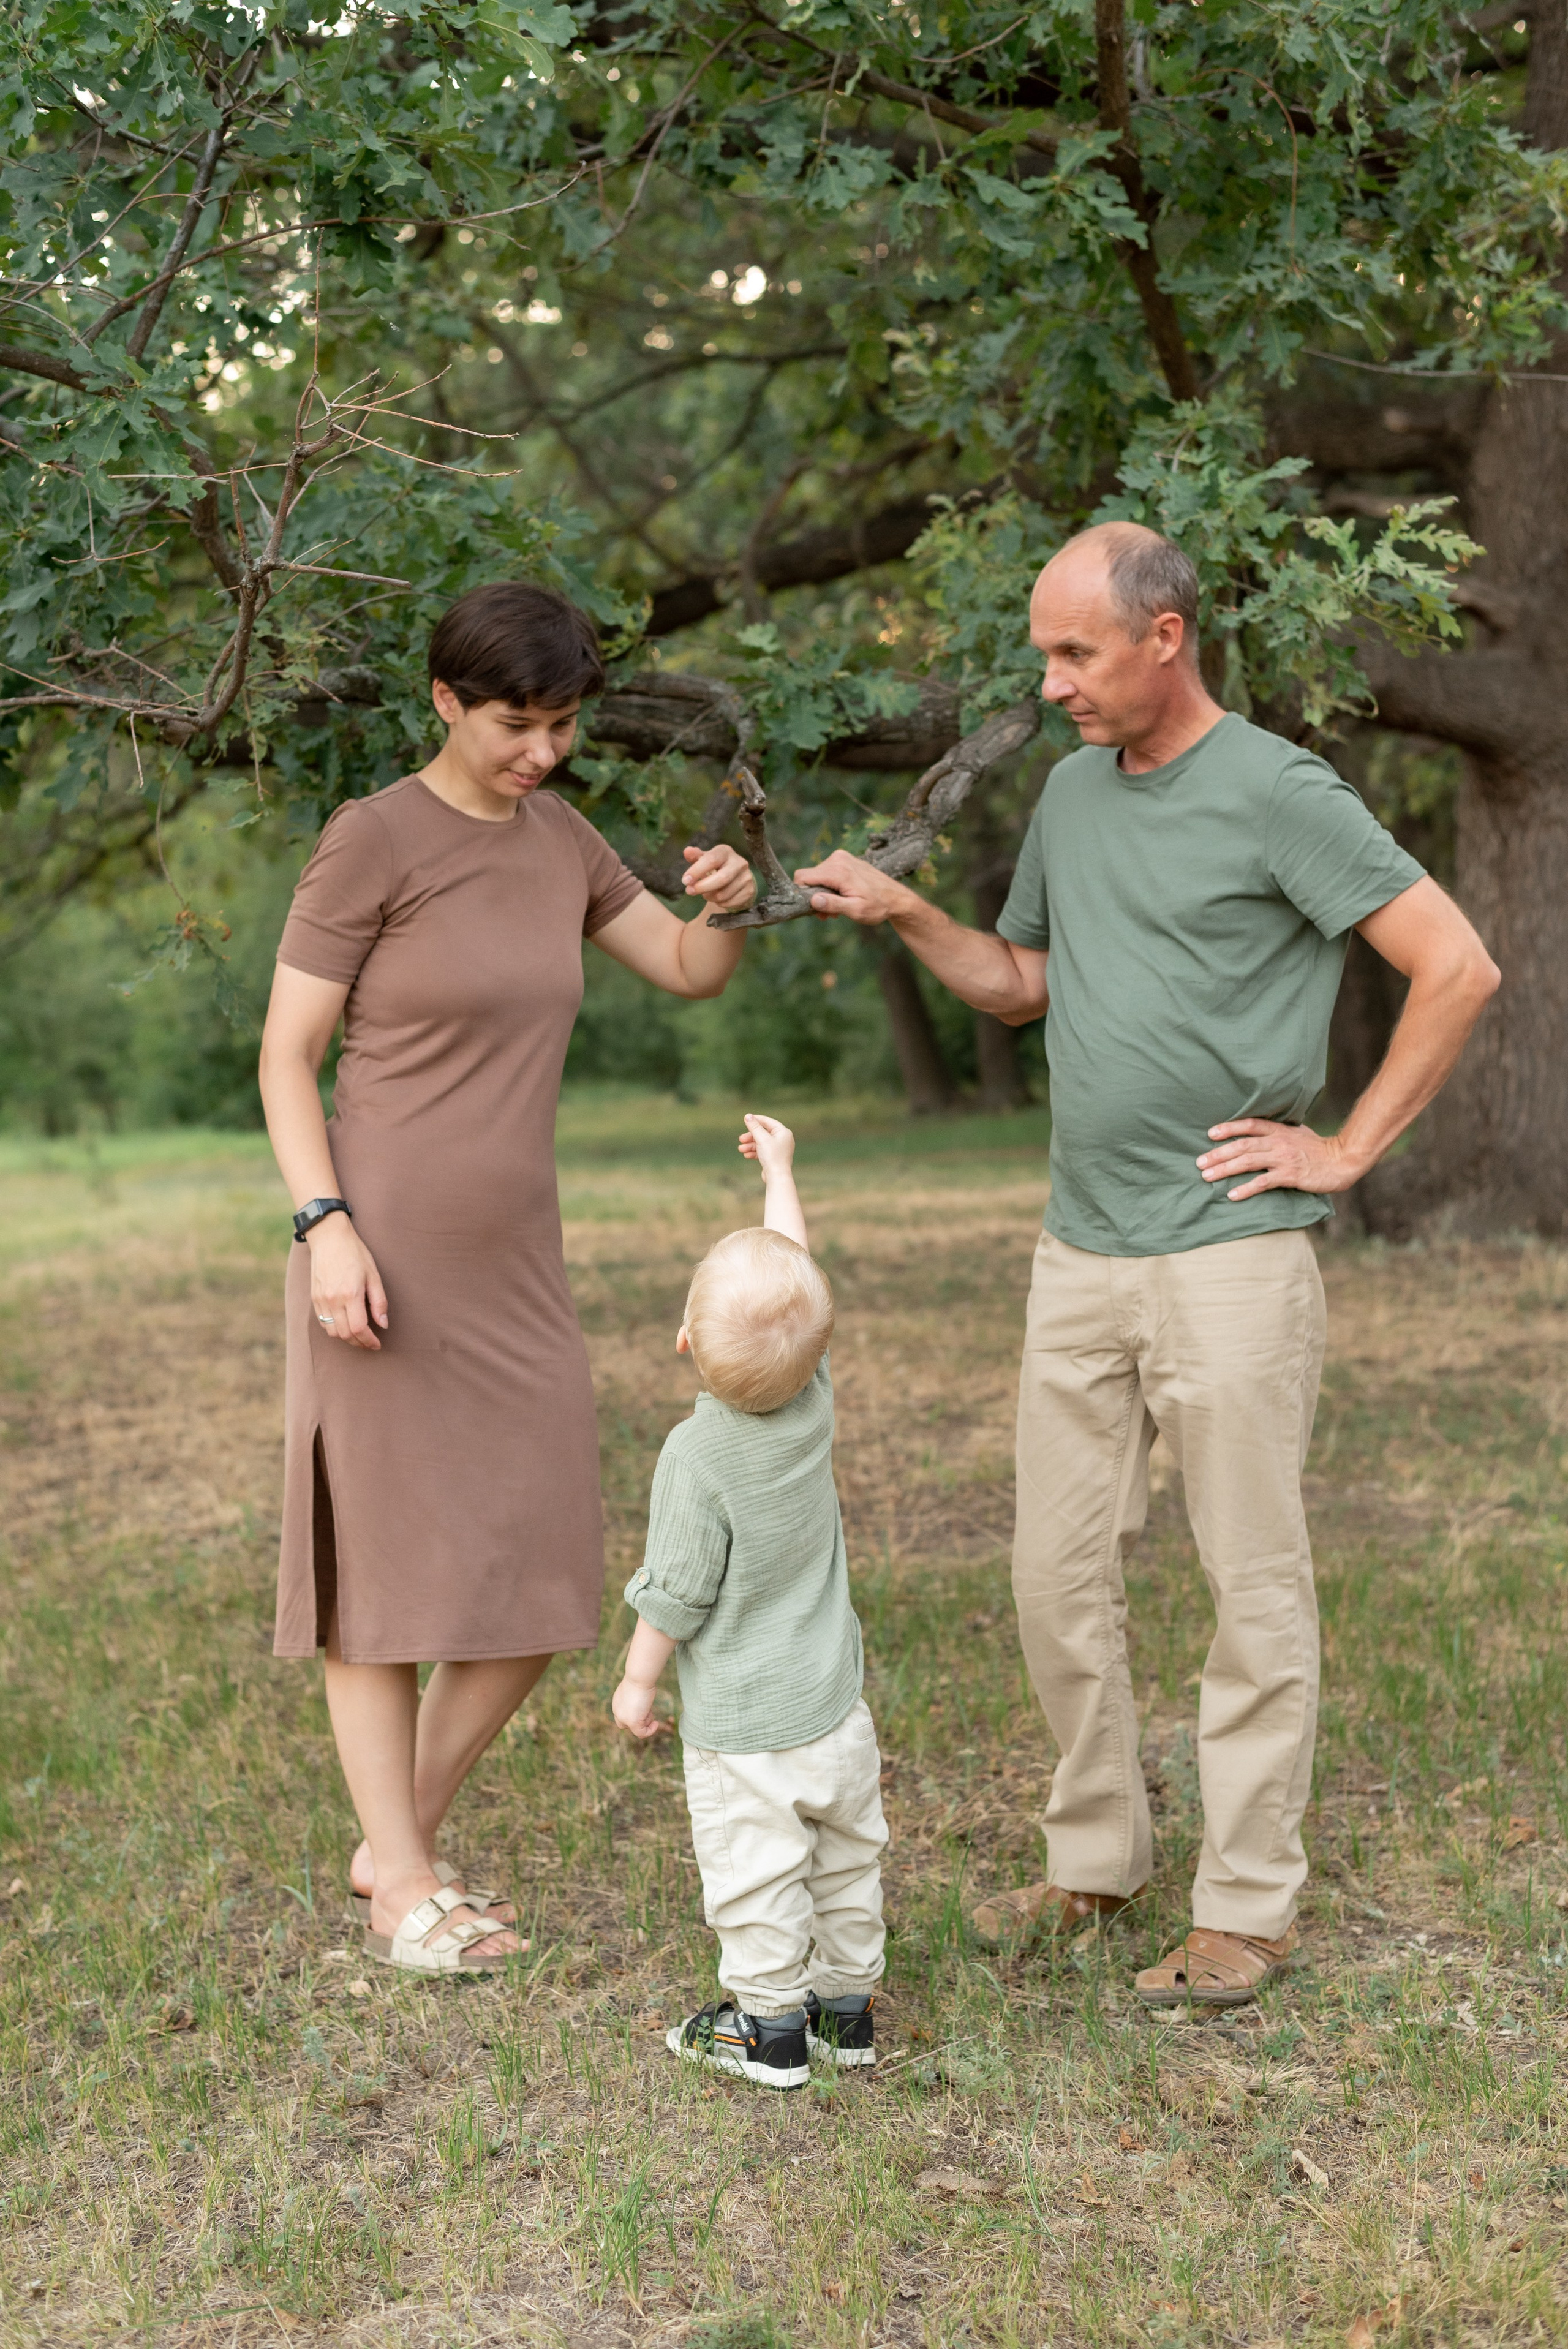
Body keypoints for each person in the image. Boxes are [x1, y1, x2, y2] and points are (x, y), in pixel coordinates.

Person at [793, 522, 1499, 2008]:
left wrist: (1344, 1152)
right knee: (1052, 1579)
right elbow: (1023, 985)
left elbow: (1455, 965)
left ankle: (1244, 1907)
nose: (1050, 685)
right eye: (1043, 653)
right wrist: (913, 911)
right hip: (1079, 1251)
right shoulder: (1065, 793)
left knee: (1249, 1587)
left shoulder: (1277, 793)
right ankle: (1094, 1859)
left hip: (1229, 1259)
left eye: (1074, 654)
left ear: (1163, 638)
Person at [258, 580, 757, 1977]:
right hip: (380, 1247)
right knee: (384, 1577)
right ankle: (405, 1882)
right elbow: (285, 1057)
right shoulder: (374, 840)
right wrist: (325, 1227)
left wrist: (726, 896)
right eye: (512, 724)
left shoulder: (563, 839)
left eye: (560, 724)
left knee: (540, 1579)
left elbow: (682, 967)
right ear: (444, 703)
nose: (540, 751)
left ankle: (391, 1843)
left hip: (517, 1263)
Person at [612, 1115, 888, 2086]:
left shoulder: (698, 1456)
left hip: (746, 1730)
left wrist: (638, 1684)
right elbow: (793, 1282)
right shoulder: (812, 1400)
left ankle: (768, 2030)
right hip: (834, 1705)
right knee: (846, 1861)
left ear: (685, 1340)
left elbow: (678, 1590)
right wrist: (781, 1169)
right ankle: (847, 2013)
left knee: (760, 1875)